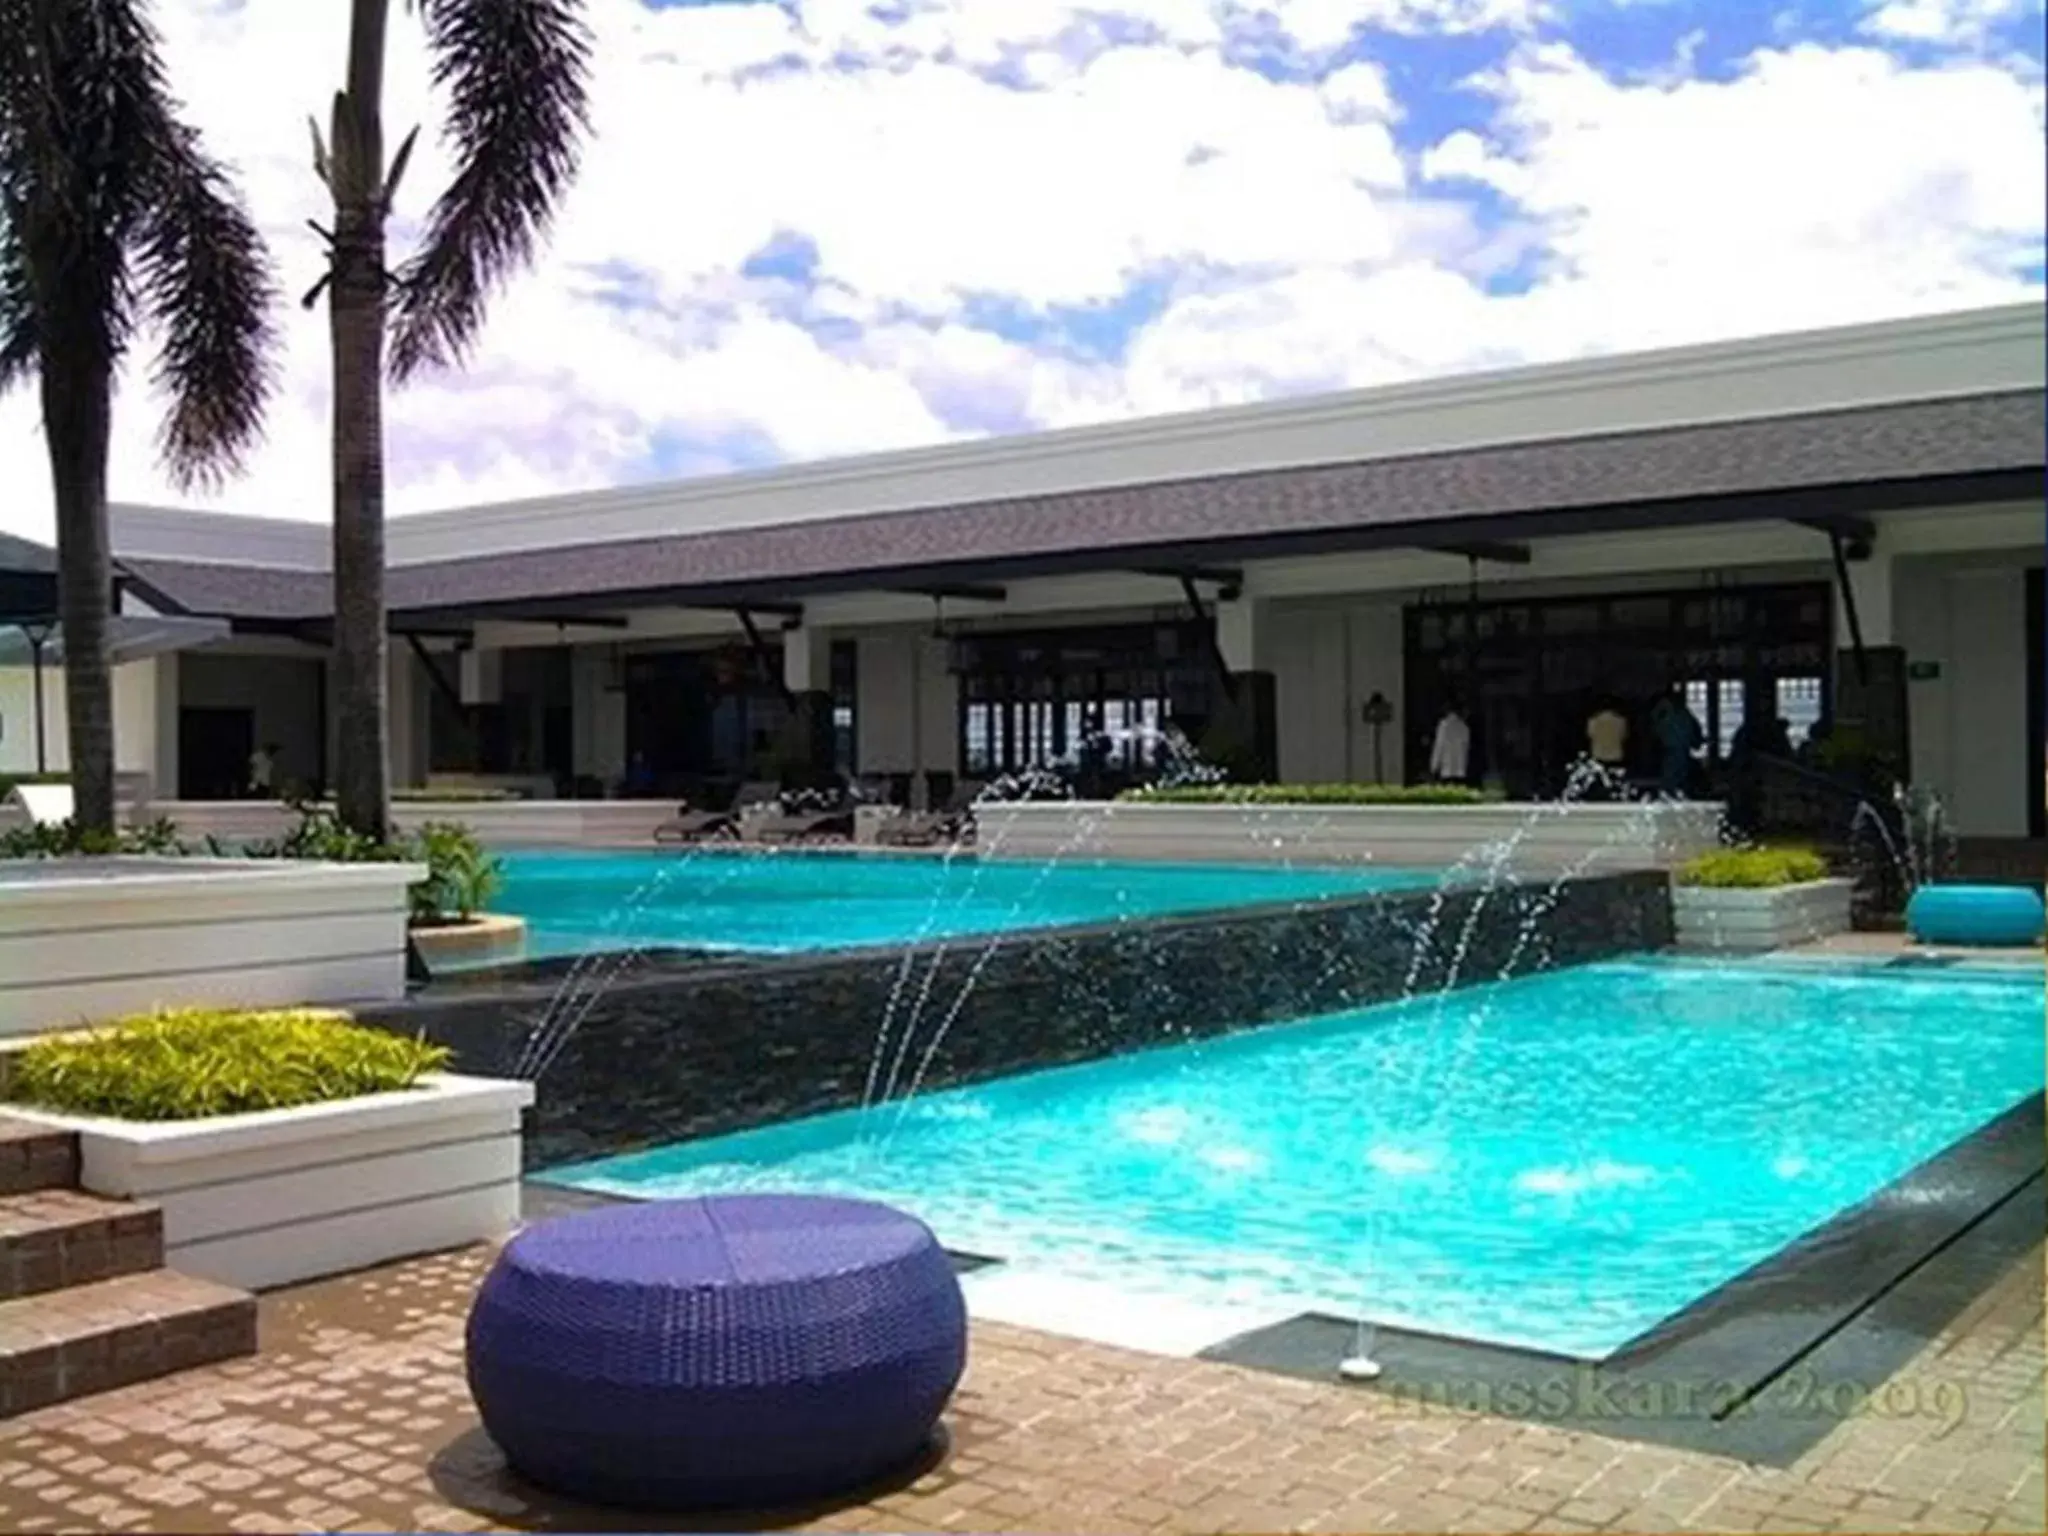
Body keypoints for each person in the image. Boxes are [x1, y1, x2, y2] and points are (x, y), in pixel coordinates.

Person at [1649, 690, 1702, 796]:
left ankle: (1670, 791)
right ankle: (1673, 791)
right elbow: (1695, 730)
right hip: (1676, 747)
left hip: (1673, 747)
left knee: (1673, 772)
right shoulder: (1680, 714)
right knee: (1675, 772)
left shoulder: (1668, 713)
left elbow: (1655, 728)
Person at [1429, 703, 1471, 784]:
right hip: (1460, 770)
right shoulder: (1464, 727)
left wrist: (1434, 766)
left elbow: (1439, 746)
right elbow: (1466, 750)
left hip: (1446, 769)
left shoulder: (1444, 726)